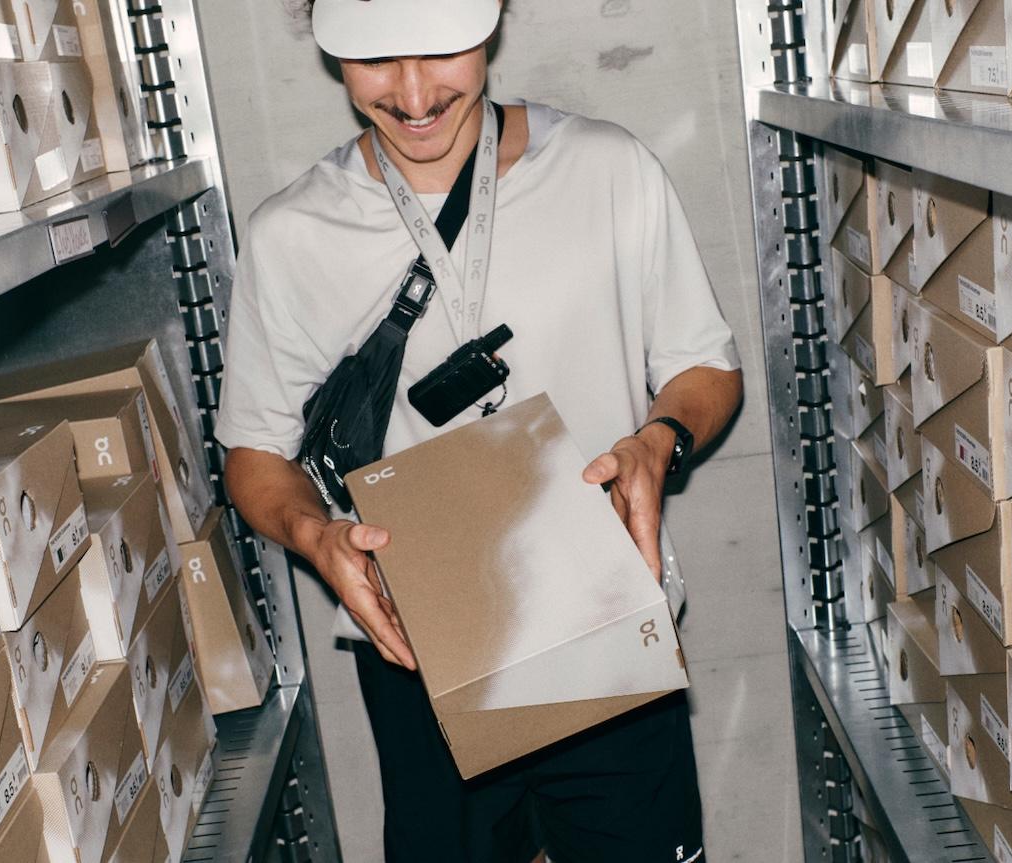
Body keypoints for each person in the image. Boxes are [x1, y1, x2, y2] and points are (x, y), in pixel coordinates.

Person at [215, 1, 744, 860]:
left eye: (440, 53)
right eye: (379, 61)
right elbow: (253, 456)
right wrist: (317, 536)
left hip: (607, 629)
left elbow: (705, 367)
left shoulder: (607, 169)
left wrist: (660, 441)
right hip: (421, 649)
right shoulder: (292, 235)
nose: (415, 93)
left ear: (488, 25)